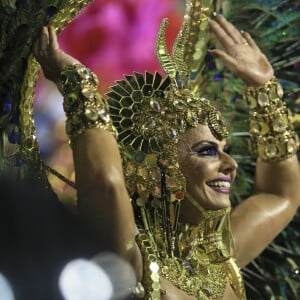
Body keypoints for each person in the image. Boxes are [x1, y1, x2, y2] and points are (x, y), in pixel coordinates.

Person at [33, 3, 300, 299]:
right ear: (162, 169)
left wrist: (263, 88)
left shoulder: (219, 260)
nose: (230, 164)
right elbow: (106, 184)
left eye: (226, 150)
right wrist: (79, 85)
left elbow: (280, 194)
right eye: (207, 151)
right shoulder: (133, 260)